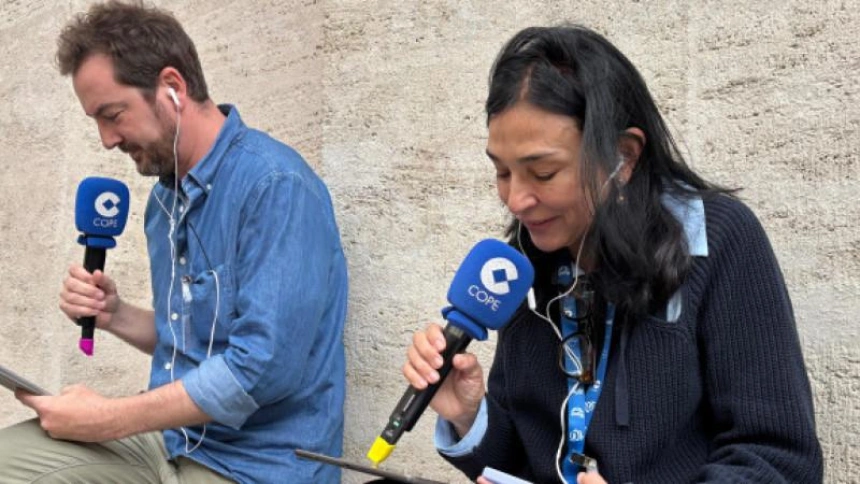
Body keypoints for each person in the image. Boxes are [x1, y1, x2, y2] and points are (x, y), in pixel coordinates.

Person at [402, 25, 823, 484]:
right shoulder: (519, 267)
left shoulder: (717, 240)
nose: (516, 200)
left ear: (623, 157)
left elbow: (780, 460)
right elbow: (525, 461)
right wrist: (469, 415)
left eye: (542, 173)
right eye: (502, 172)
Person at [0, 2, 348, 483]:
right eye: (95, 121)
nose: (106, 140)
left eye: (112, 114)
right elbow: (191, 341)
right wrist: (115, 315)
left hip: (257, 466)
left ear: (173, 87)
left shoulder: (276, 187)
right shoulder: (163, 200)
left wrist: (109, 417)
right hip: (171, 442)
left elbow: (263, 371)